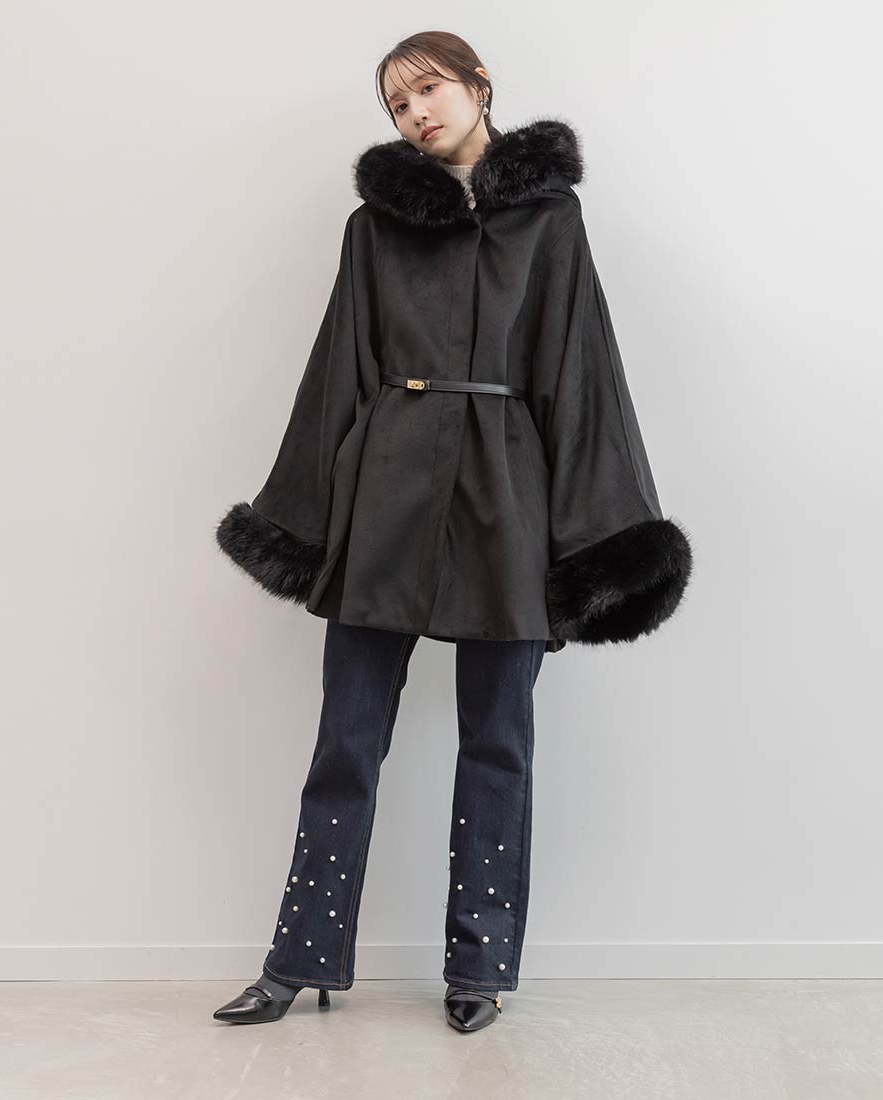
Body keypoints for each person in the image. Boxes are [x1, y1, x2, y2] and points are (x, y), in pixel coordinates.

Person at [212, 31, 694, 1033]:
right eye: (397, 105)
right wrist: (304, 523)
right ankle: (299, 960)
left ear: (478, 85)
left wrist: (591, 548)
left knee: (498, 743)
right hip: (384, 493)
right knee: (345, 740)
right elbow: (337, 370)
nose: (415, 114)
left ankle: (480, 968)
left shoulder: (550, 220)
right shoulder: (374, 227)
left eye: (427, 89)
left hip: (507, 496)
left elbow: (581, 374)